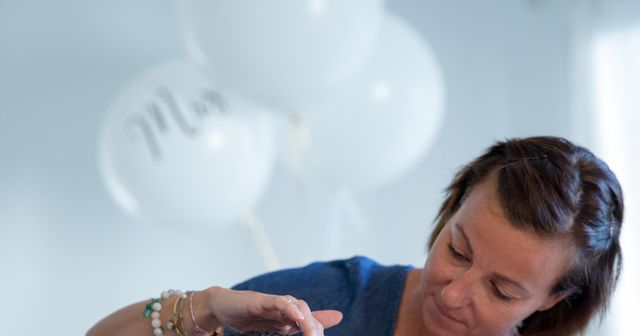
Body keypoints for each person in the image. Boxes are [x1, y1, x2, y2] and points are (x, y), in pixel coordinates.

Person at [87, 136, 624, 336]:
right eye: (457, 251)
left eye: (502, 290)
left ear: (553, 299)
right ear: (452, 210)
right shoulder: (330, 298)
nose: (453, 292)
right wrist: (208, 307)